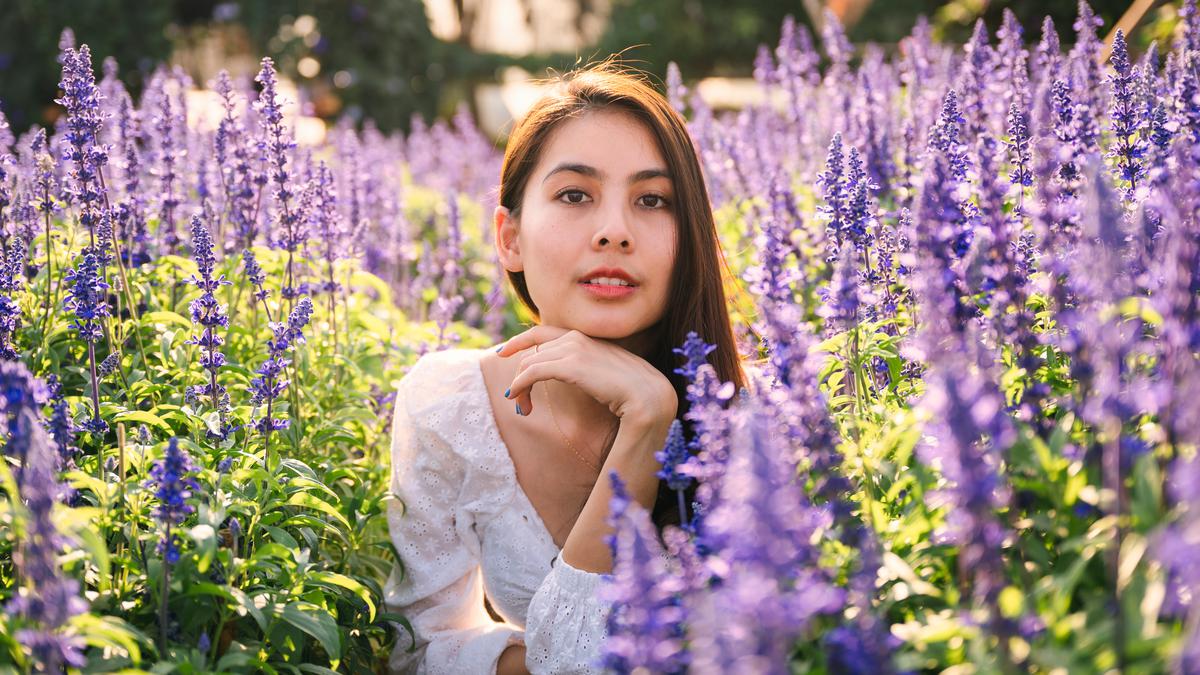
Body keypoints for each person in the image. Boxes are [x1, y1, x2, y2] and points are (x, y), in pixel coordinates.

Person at [383, 58, 751, 674]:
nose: (614, 232)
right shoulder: (450, 403)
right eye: (574, 195)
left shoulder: (752, 420)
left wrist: (652, 417)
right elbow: (419, 651)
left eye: (653, 200)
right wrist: (645, 424)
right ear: (510, 238)